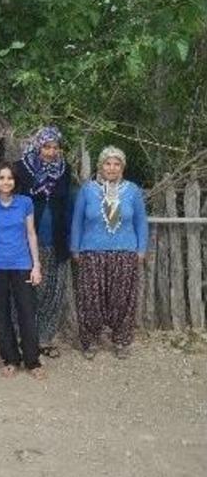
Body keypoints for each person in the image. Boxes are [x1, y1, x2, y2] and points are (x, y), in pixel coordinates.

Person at [70, 146, 149, 360]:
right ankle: (91, 341)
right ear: (100, 165)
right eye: (107, 163)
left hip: (125, 252)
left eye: (116, 164)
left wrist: (141, 249)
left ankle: (121, 341)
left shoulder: (132, 191)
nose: (112, 168)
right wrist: (75, 248)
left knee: (122, 300)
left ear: (122, 167)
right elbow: (77, 221)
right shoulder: (87, 190)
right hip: (91, 252)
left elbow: (141, 222)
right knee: (90, 300)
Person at [13, 126, 74, 358]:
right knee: (25, 291)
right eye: (46, 147)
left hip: (55, 240)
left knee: (51, 291)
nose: (50, 152)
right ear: (38, 146)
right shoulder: (21, 169)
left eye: (54, 147)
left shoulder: (64, 170)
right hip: (26, 242)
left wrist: (69, 238)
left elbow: (67, 202)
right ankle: (23, 337)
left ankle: (44, 338)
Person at [0, 164, 44, 378]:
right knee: (1, 315)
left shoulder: (25, 203)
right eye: (1, 177)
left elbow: (31, 234)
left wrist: (36, 265)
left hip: (22, 265)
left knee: (27, 313)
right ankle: (10, 359)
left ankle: (32, 361)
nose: (6, 181)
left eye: (10, 178)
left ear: (15, 181)